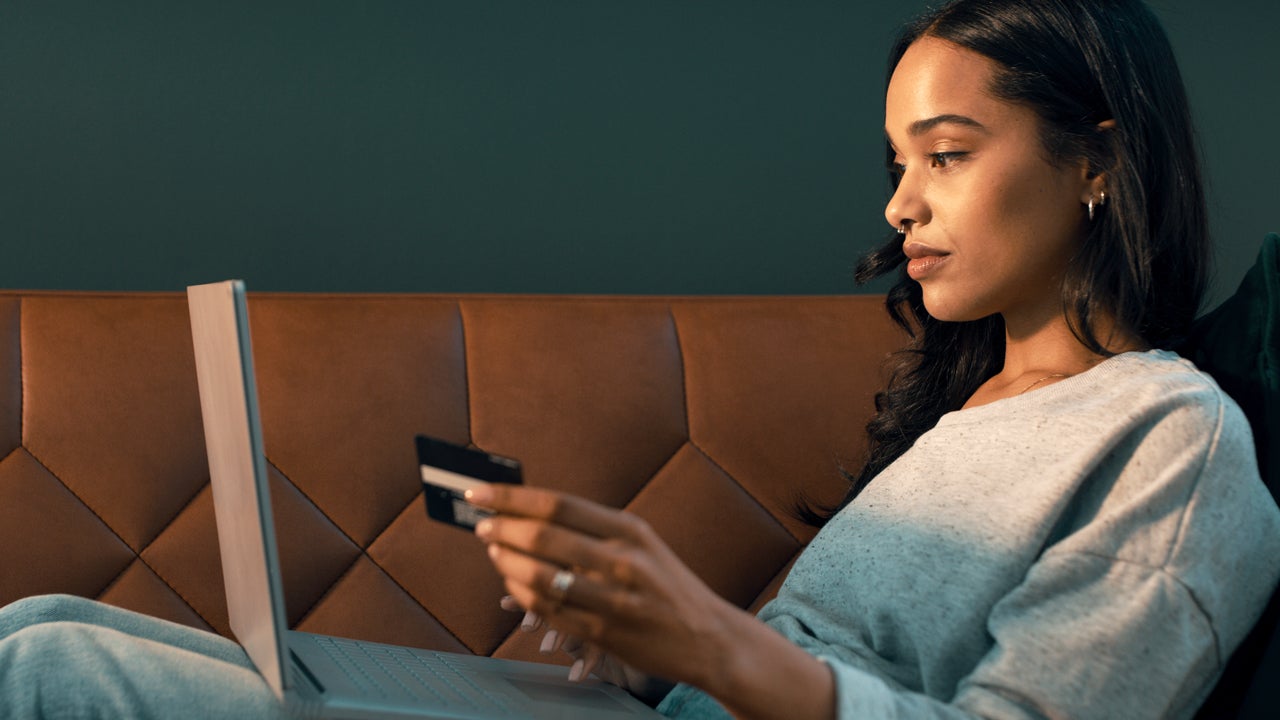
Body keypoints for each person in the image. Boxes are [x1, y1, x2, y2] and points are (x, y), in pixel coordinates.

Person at [1, 0, 1277, 718]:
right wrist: (646, 634)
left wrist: (725, 653)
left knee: (56, 676)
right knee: (45, 624)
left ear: (1097, 159)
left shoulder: (1173, 436)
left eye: (942, 155)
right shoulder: (974, 406)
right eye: (894, 163)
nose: (897, 207)